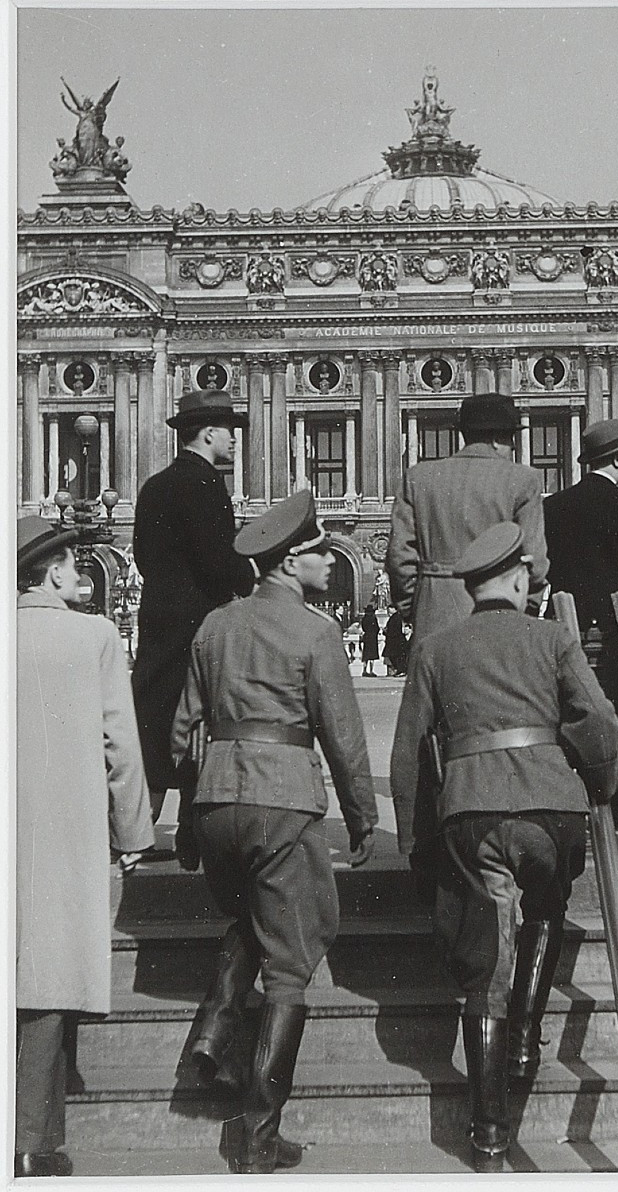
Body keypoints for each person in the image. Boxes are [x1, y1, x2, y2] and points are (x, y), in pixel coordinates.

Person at [391, 522, 618, 1173]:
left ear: (471, 588)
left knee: (484, 967)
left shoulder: (437, 647)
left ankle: (489, 1137)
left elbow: (409, 753)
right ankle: (526, 1037)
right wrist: (598, 785)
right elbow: (598, 720)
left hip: (472, 813)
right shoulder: (552, 636)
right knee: (547, 905)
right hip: (551, 808)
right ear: (520, 579)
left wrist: (414, 841)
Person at [170, 490, 378, 1174]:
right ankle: (259, 1137)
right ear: (291, 564)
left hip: (217, 796)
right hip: (282, 796)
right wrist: (362, 817)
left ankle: (213, 1035)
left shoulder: (214, 626)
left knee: (253, 917)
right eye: (320, 553)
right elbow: (343, 737)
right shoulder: (316, 632)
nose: (327, 562)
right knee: (292, 956)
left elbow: (183, 729)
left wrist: (190, 818)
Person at [16, 518, 154, 1177]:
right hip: (68, 831)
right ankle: (33, 1137)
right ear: (49, 573)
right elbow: (121, 748)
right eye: (74, 565)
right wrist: (134, 833)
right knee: (48, 977)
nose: (84, 574)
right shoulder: (95, 637)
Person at [131, 386, 255, 867]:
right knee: (197, 724)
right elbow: (219, 561)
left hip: (158, 615)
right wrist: (249, 577)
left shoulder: (154, 485)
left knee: (154, 720)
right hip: (198, 621)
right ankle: (190, 834)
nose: (233, 440)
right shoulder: (204, 485)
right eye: (228, 432)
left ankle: (137, 831)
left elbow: (143, 556)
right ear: (207, 434)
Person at [543, 419, 618, 830]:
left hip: (567, 623)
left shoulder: (555, 505)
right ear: (617, 460)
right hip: (616, 629)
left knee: (568, 708)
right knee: (613, 710)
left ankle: (570, 800)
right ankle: (616, 800)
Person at [386, 392, 548, 646]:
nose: (512, 449)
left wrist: (417, 608)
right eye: (511, 441)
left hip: (433, 615)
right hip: (501, 622)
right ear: (497, 440)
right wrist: (525, 612)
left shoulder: (418, 478)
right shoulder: (523, 480)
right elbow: (535, 562)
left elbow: (399, 559)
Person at [382, 606, 409, 676]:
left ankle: (401, 670)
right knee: (394, 656)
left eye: (390, 608)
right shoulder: (395, 617)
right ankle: (399, 669)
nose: (389, 610)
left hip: (394, 640)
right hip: (393, 640)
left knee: (396, 656)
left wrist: (386, 632)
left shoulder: (396, 618)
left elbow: (394, 630)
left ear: (394, 609)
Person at [360, 603, 381, 677]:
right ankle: (371, 671)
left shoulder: (364, 618)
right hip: (373, 638)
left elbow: (363, 627)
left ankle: (364, 670)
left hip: (367, 637)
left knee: (366, 655)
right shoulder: (373, 618)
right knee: (372, 656)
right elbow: (377, 628)